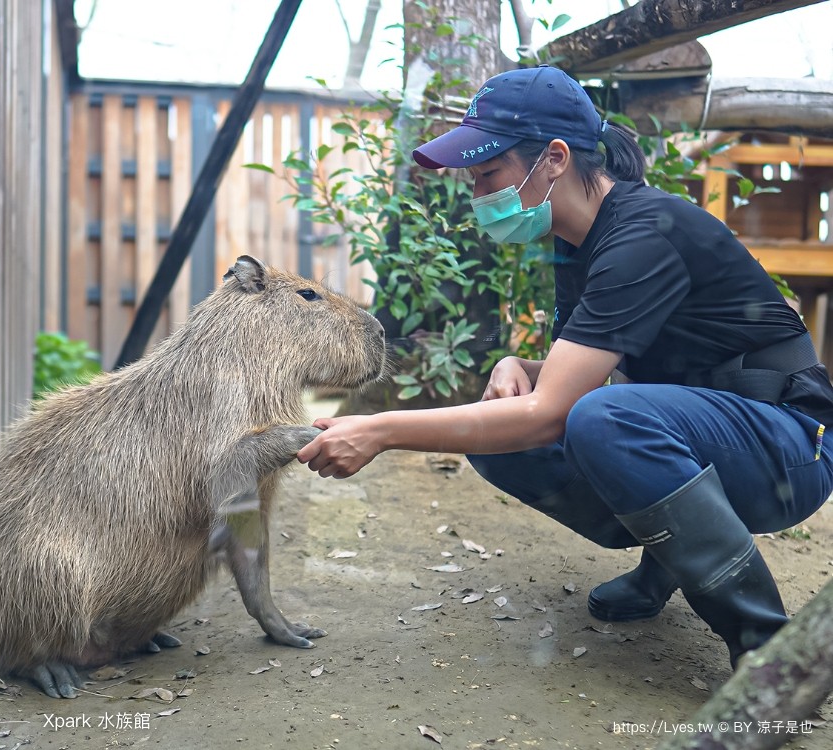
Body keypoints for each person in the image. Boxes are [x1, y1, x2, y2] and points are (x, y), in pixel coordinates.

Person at [297, 64, 833, 669]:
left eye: (489, 174)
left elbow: (555, 413)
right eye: (473, 179)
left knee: (603, 420)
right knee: (505, 431)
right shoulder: (579, 242)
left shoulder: (645, 235)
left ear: (554, 157)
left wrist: (381, 430)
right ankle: (667, 563)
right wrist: (514, 362)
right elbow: (575, 371)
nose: (479, 194)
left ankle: (771, 652)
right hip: (717, 433)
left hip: (792, 447)